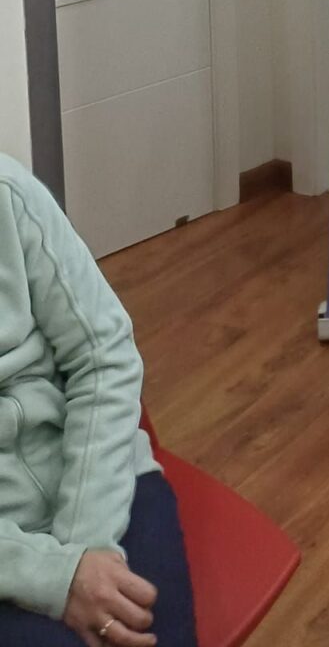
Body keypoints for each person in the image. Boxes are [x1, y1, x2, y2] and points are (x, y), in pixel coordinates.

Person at [0, 154, 197, 646]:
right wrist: (53, 576)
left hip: (103, 478)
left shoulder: (8, 193)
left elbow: (104, 354)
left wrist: (87, 549)